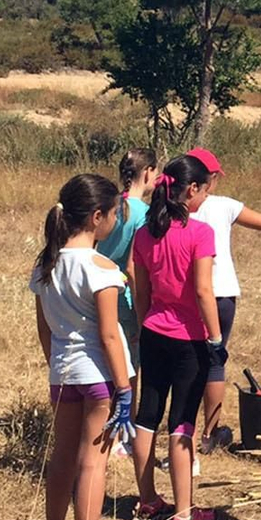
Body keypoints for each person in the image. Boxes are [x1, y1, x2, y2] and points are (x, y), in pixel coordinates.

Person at [32, 173, 134, 520]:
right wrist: (124, 389)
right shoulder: (102, 268)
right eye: (113, 215)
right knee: (94, 464)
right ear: (96, 217)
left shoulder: (46, 265)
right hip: (98, 379)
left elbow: (44, 330)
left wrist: (56, 365)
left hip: (63, 376)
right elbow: (109, 334)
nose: (114, 222)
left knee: (62, 458)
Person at [130, 153, 224, 520]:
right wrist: (215, 338)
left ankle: (149, 498)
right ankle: (184, 514)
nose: (204, 199)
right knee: (182, 423)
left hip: (154, 332)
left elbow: (141, 287)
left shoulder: (144, 233)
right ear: (191, 190)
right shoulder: (200, 233)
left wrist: (143, 326)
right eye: (203, 191)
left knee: (147, 416)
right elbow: (203, 290)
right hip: (189, 339)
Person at [188, 147, 261, 457]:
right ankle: (210, 434)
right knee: (214, 363)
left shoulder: (171, 207)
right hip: (220, 293)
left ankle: (183, 429)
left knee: (187, 363)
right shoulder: (223, 206)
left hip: (184, 296)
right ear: (207, 179)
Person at [95, 148, 157, 375]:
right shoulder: (144, 213)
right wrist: (142, 318)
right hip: (126, 298)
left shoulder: (108, 206)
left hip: (99, 291)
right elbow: (132, 267)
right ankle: (127, 412)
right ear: (148, 172)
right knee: (127, 369)